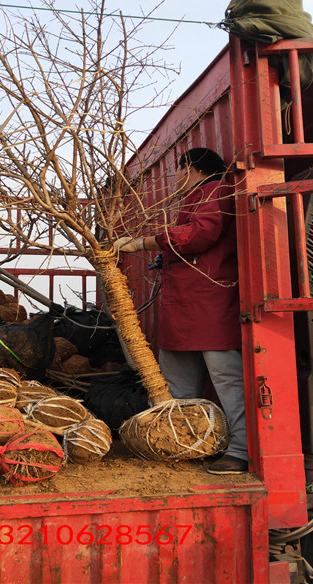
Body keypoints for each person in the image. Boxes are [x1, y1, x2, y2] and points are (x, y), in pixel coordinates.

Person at [114, 147, 248, 474]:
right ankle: (178, 444)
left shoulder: (217, 190)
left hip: (209, 305)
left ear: (190, 167)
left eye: (178, 172)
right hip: (184, 308)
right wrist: (165, 257)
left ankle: (242, 450)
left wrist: (145, 242)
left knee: (227, 379)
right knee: (174, 386)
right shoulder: (194, 197)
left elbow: (201, 234)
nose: (175, 180)